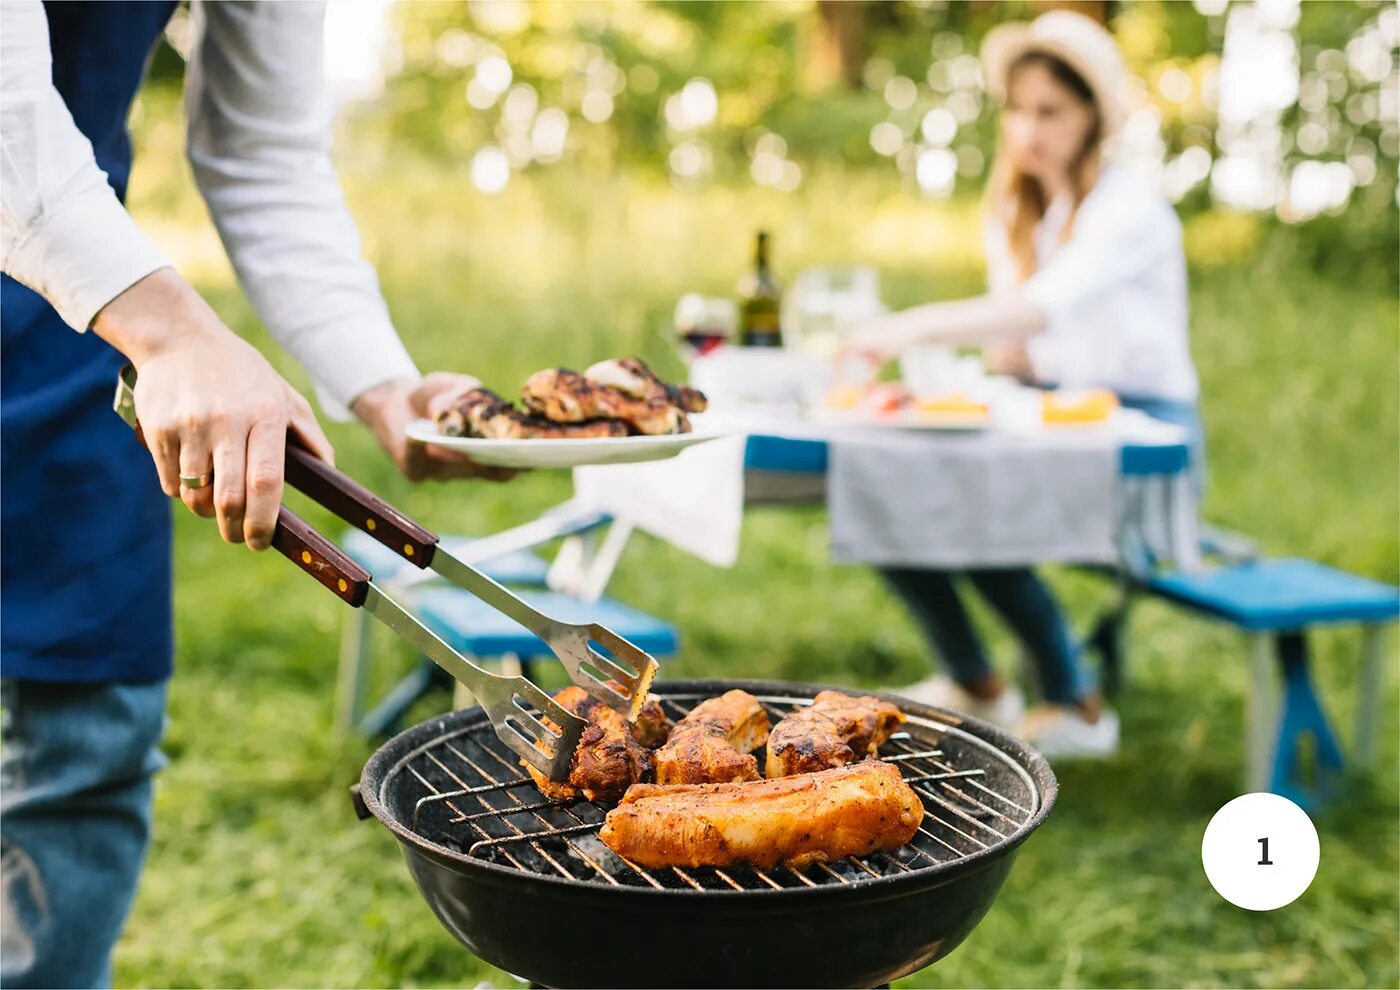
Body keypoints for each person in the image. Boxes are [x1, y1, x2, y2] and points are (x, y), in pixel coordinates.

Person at [0, 4, 505, 986]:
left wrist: (380, 381)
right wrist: (175, 332)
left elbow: (257, 143)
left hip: (75, 305)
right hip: (117, 293)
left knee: (85, 736)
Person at [850, 11, 1203, 757]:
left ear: (1092, 116)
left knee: (976, 512)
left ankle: (1075, 702)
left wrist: (910, 328)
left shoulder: (1127, 208)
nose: (1028, 128)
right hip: (1057, 422)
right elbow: (1022, 350)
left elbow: (1042, 310)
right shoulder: (1023, 210)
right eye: (1017, 108)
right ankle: (978, 683)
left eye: (1050, 110)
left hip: (1144, 440)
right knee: (887, 483)